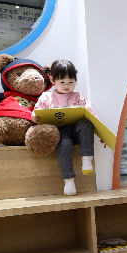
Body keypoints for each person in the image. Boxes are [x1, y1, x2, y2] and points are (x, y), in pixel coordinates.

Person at [33, 59, 95, 196]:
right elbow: (37, 112)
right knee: (65, 143)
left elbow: (91, 114)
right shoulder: (47, 97)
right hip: (60, 132)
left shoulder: (78, 96)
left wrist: (102, 133)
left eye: (71, 82)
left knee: (85, 123)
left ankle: (87, 159)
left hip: (77, 131)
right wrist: (35, 117)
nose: (67, 86)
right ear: (52, 80)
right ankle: (69, 181)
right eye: (62, 82)